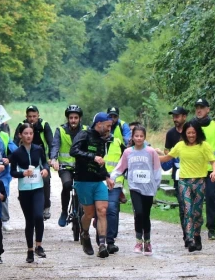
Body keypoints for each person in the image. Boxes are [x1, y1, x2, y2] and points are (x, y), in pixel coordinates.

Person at [160, 121, 215, 252]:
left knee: (197, 212)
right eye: (188, 133)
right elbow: (167, 157)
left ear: (197, 133)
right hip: (184, 182)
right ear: (185, 134)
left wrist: (214, 172)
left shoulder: (204, 146)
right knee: (188, 210)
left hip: (199, 182)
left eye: (193, 133)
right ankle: (190, 238)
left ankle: (197, 235)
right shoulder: (180, 146)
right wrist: (152, 155)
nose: (191, 135)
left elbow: (213, 162)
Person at [110, 126, 162, 256]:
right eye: (136, 136)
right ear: (132, 137)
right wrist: (111, 177)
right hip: (135, 187)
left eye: (141, 136)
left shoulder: (151, 152)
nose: (139, 138)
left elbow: (156, 169)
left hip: (148, 188)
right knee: (138, 213)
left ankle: (147, 242)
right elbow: (121, 167)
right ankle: (139, 241)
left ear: (145, 137)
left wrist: (156, 184)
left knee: (146, 215)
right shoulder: (128, 152)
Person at [70, 112, 115, 258]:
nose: (109, 129)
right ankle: (84, 233)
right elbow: (73, 151)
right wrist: (92, 157)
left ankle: (102, 244)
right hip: (83, 180)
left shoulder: (103, 141)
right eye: (107, 126)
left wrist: (107, 176)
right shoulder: (84, 134)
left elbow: (100, 162)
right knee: (89, 213)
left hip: (97, 182)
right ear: (99, 124)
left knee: (102, 210)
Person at [10, 123, 50, 263]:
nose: (28, 136)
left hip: (38, 188)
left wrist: (45, 170)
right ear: (20, 135)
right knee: (29, 220)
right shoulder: (16, 153)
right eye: (25, 133)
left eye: (31, 133)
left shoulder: (38, 149)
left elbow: (45, 163)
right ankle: (30, 250)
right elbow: (12, 172)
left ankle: (39, 245)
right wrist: (23, 173)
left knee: (39, 216)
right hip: (25, 191)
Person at [192, 98, 215, 240]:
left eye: (202, 107)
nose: (199, 110)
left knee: (211, 197)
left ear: (208, 109)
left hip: (212, 170)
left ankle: (211, 228)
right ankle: (195, 227)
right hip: (194, 170)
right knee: (196, 199)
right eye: (197, 107)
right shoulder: (191, 125)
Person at [13, 105, 53, 220]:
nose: (32, 119)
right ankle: (24, 198)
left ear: (38, 116)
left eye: (34, 116)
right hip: (24, 157)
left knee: (45, 179)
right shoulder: (21, 126)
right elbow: (15, 142)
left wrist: (52, 158)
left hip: (39, 158)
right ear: (26, 116)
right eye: (29, 116)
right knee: (22, 176)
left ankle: (46, 206)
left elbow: (51, 142)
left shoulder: (44, 125)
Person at [49, 105, 87, 227]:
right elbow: (55, 145)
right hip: (65, 167)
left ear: (80, 118)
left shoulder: (86, 130)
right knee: (67, 185)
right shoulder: (60, 130)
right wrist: (54, 159)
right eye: (71, 118)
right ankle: (64, 211)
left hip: (82, 167)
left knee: (85, 188)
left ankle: (86, 212)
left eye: (76, 117)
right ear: (67, 118)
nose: (73, 120)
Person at [165, 106, 188, 245]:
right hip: (177, 175)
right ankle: (187, 234)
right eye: (173, 116)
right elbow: (167, 153)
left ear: (184, 117)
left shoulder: (192, 131)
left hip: (194, 173)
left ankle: (194, 231)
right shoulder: (170, 134)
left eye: (177, 116)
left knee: (192, 206)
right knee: (182, 205)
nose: (175, 119)